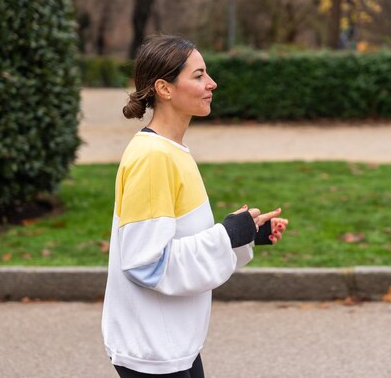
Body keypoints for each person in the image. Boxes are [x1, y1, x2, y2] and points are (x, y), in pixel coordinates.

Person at [101, 35, 289, 378]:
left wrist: (243, 235)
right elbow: (145, 264)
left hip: (171, 342)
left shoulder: (171, 150)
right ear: (165, 88)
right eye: (199, 75)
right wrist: (226, 233)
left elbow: (180, 238)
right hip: (152, 348)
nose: (211, 83)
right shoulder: (153, 158)